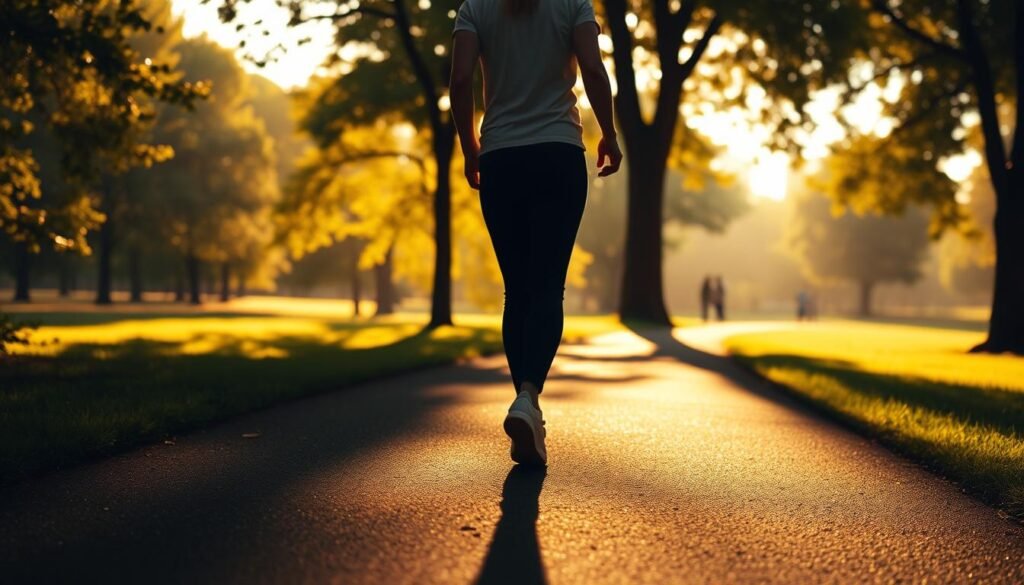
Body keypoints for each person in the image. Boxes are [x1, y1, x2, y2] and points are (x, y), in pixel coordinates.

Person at [450, 0, 622, 466]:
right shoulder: (573, 4)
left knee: (518, 292)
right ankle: (528, 397)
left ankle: (526, 407)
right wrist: (609, 133)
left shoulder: (474, 8)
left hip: (501, 158)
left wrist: (470, 149)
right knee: (547, 287)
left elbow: (461, 80)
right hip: (557, 155)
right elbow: (593, 68)